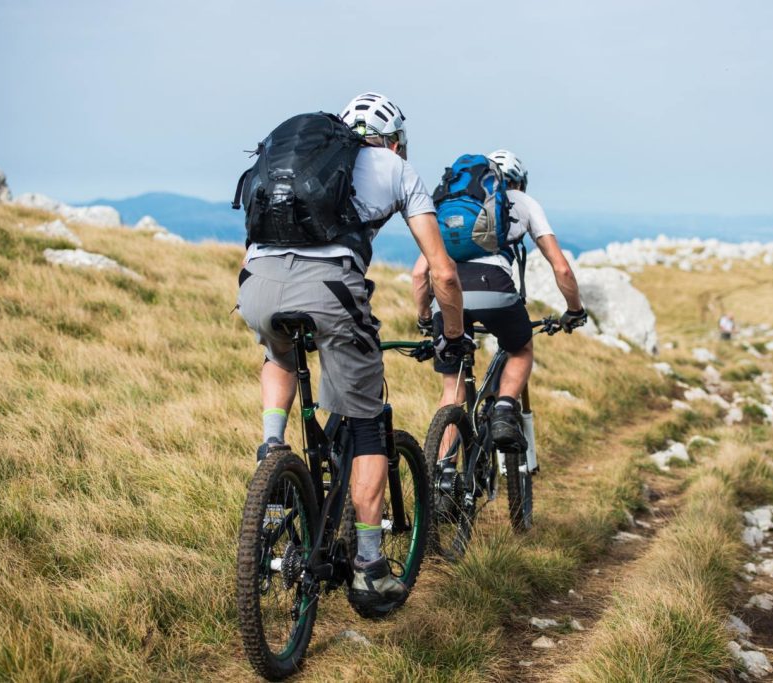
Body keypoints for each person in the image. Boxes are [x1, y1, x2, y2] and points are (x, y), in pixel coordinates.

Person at [237, 92, 467, 612]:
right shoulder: (394, 167)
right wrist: (450, 336)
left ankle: (272, 447)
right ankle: (368, 567)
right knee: (367, 424)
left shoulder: (294, 161)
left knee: (278, 356)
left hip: (256, 287)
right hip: (330, 290)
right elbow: (443, 272)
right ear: (394, 140)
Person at [412, 149, 587, 452]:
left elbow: (418, 275)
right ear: (519, 182)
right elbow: (561, 267)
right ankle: (505, 408)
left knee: (452, 392)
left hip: (447, 294)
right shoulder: (524, 202)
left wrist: (425, 317)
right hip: (495, 287)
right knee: (520, 348)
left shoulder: (453, 207)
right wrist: (575, 310)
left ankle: (442, 475)